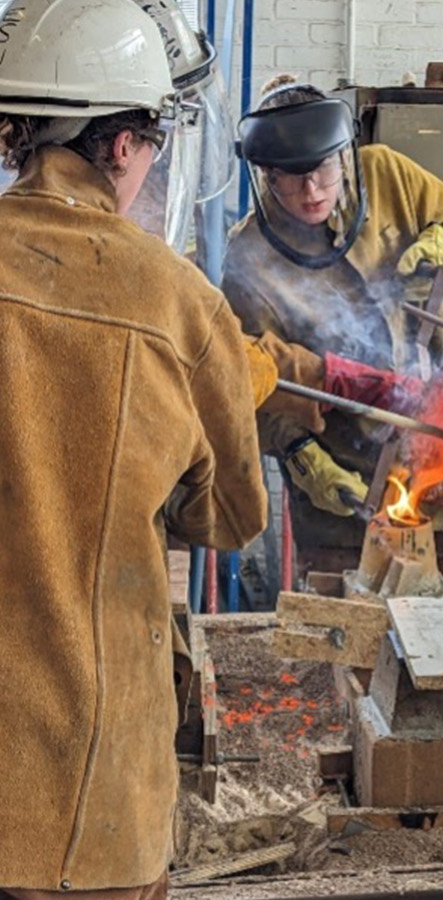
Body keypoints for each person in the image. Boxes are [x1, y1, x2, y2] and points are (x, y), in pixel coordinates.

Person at [0, 1, 269, 896]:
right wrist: (225, 397)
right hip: (88, 797)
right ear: (122, 145)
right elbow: (228, 519)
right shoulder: (176, 303)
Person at [221, 76, 443, 583]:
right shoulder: (249, 260)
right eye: (292, 176)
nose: (312, 191)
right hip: (345, 479)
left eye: (324, 169)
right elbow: (256, 383)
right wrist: (302, 457)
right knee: (344, 621)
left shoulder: (387, 176)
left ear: (344, 154)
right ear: (264, 176)